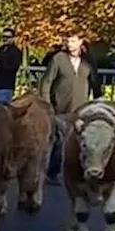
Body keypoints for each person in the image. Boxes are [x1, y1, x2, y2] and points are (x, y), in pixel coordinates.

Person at [39, 34, 93, 184]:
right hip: (60, 108)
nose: (69, 44)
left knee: (82, 141)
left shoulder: (87, 61)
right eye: (68, 41)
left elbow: (94, 82)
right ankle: (53, 172)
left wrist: (97, 102)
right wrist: (47, 103)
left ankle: (79, 172)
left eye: (73, 41)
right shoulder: (58, 59)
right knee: (60, 141)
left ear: (80, 42)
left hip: (81, 108)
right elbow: (46, 82)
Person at [0, 28, 22, 105]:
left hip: (5, 86)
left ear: (13, 38)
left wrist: (0, 64)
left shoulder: (16, 52)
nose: (5, 39)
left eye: (8, 37)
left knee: (2, 110)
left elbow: (14, 67)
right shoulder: (0, 50)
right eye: (3, 37)